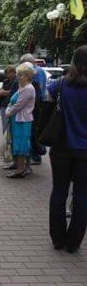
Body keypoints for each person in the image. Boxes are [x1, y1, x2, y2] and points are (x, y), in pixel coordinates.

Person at [46, 45, 87, 253]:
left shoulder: (60, 84)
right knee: (82, 195)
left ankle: (58, 238)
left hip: (61, 147)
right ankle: (74, 242)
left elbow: (48, 102)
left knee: (59, 191)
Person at [5, 62, 36, 178]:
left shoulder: (28, 88)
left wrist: (8, 112)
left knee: (21, 144)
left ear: (27, 76)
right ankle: (19, 166)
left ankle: (20, 169)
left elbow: (18, 105)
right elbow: (13, 102)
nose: (18, 77)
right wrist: (9, 109)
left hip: (22, 120)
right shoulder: (22, 86)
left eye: (21, 75)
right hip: (17, 119)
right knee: (17, 142)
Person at [19, 53, 47, 166]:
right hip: (35, 104)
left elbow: (37, 90)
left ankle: (36, 156)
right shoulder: (37, 71)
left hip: (36, 105)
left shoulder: (37, 72)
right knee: (33, 131)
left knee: (34, 131)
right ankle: (33, 154)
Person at [0, 66, 16, 133]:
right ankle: (5, 139)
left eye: (11, 72)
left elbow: (13, 92)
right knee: (4, 123)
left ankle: (9, 140)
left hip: (12, 104)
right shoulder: (5, 81)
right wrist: (0, 91)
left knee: (11, 124)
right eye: (7, 73)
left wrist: (3, 92)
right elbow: (3, 90)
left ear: (14, 72)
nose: (9, 74)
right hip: (3, 104)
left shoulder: (17, 82)